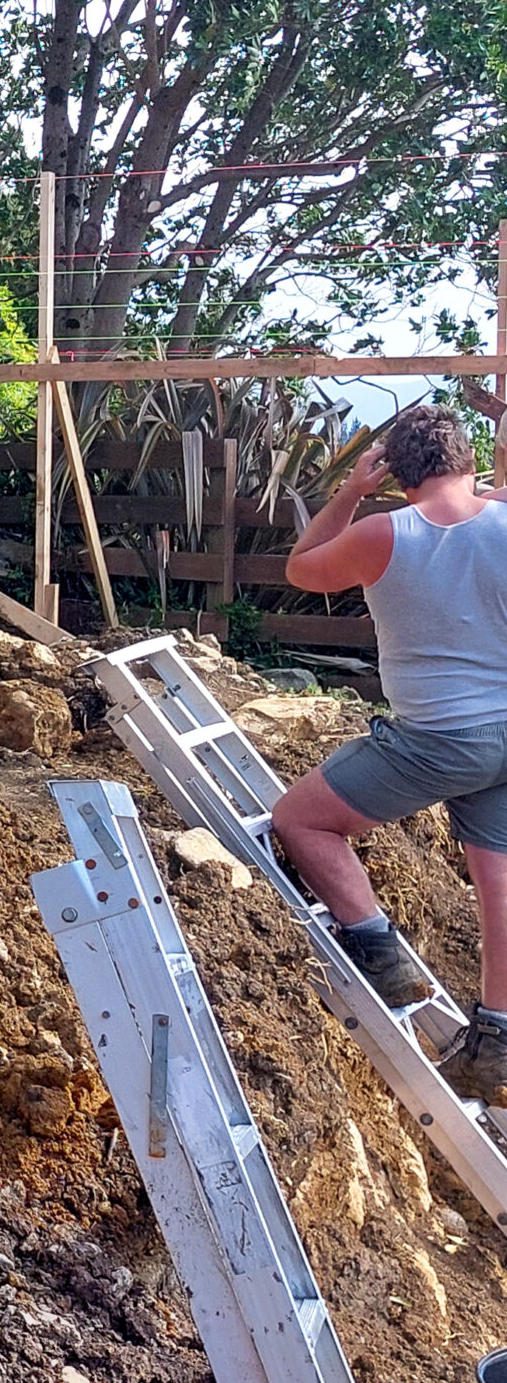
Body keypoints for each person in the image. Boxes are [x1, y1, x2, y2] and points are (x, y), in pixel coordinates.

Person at [274, 403, 507, 1106]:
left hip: (439, 738)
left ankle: (379, 949)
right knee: (498, 886)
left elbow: (301, 569)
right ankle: (495, 1042)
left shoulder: (383, 532)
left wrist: (349, 492)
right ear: (471, 461)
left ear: (395, 474)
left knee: (301, 819)